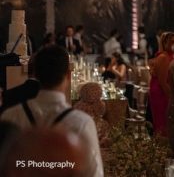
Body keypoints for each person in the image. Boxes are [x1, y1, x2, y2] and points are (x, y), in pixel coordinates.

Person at [0, 45, 103, 176]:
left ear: (34, 73)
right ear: (69, 75)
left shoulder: (11, 116)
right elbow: (94, 173)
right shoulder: (82, 122)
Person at [148, 31, 174, 137]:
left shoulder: (172, 55)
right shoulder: (164, 57)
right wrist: (172, 99)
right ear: (165, 43)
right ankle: (161, 147)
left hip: (164, 89)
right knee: (162, 121)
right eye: (171, 42)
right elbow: (163, 82)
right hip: (161, 92)